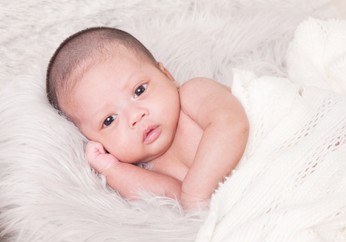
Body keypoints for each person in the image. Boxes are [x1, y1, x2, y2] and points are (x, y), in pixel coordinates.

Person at [46, 27, 249, 209]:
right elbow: (173, 200)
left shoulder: (193, 94)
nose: (135, 116)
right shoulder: (149, 169)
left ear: (166, 75)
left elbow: (231, 125)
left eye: (139, 90)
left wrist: (195, 193)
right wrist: (111, 169)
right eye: (109, 120)